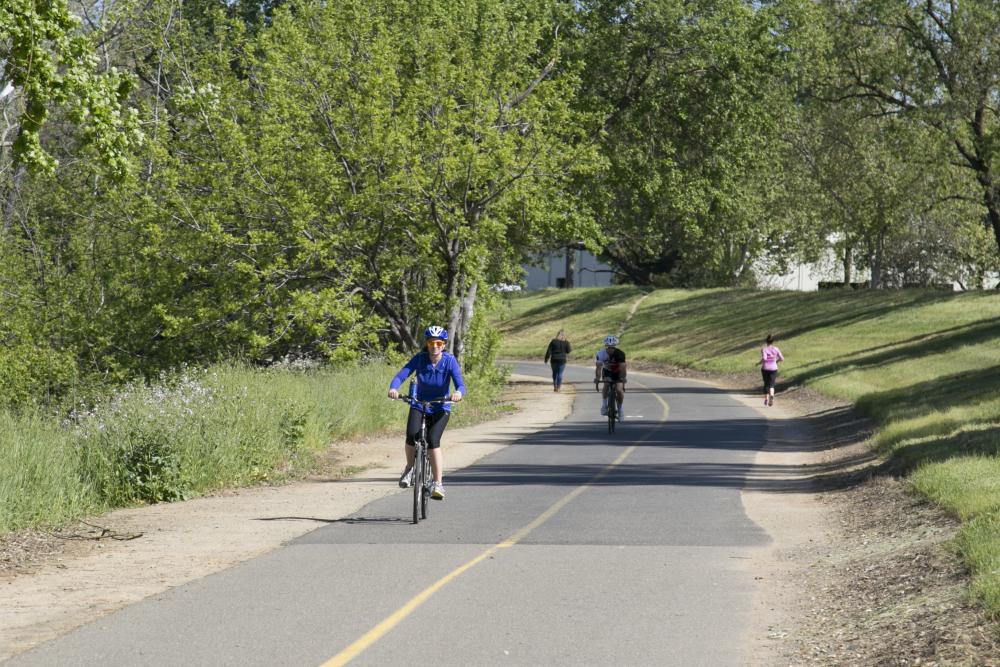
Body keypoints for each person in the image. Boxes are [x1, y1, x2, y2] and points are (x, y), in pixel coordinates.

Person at [387, 325, 465, 500]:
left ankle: (438, 483)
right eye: (431, 342)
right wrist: (394, 388)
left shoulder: (450, 361)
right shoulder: (420, 359)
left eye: (438, 343)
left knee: (432, 440)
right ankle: (409, 468)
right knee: (411, 436)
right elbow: (402, 375)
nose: (435, 346)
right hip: (419, 404)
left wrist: (458, 393)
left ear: (443, 344)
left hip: (441, 406)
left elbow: (460, 383)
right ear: (427, 343)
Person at [594, 334, 626, 421]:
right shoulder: (600, 353)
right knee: (607, 384)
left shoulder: (620, 354)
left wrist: (623, 379)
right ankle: (604, 405)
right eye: (608, 347)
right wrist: (597, 379)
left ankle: (620, 410)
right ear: (605, 346)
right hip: (607, 371)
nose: (610, 349)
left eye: (612, 347)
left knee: (619, 390)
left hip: (617, 371)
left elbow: (623, 368)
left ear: (615, 347)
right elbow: (598, 368)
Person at [760, 334, 784, 407]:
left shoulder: (764, 349)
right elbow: (782, 358)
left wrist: (759, 362)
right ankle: (772, 396)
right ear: (773, 341)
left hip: (765, 368)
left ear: (766, 341)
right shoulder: (776, 349)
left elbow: (764, 358)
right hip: (774, 368)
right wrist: (776, 361)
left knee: (766, 383)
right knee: (772, 384)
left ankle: (766, 399)